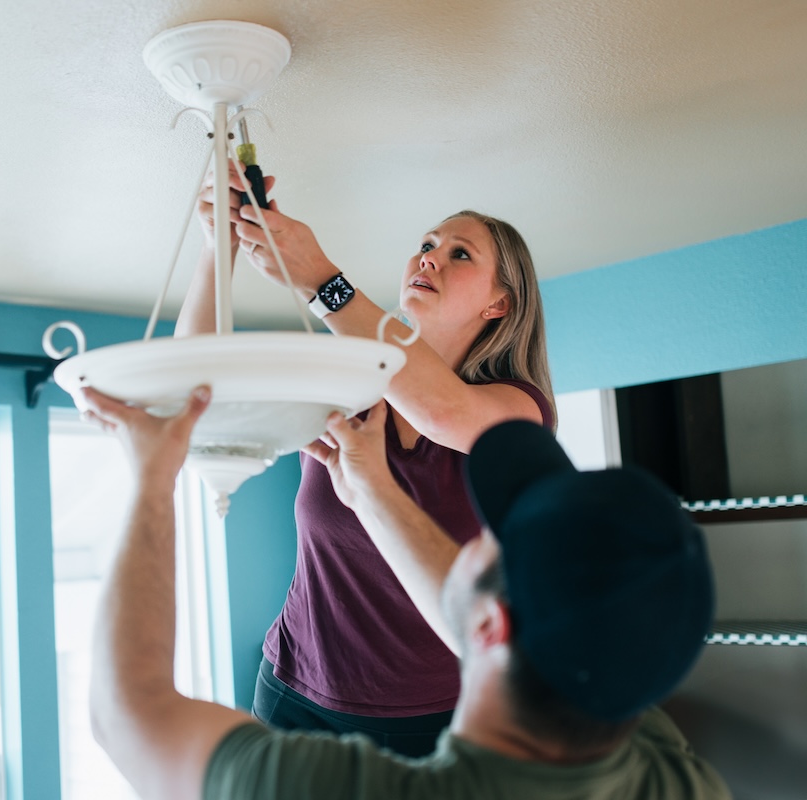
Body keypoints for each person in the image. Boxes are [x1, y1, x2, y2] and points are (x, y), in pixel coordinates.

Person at [81, 384, 729, 800]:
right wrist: (370, 489)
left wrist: (151, 477)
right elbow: (480, 619)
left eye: (489, 535)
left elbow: (129, 713)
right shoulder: (672, 773)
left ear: (491, 628)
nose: (470, 540)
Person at [175, 163, 556, 755]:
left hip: (435, 717)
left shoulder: (518, 412)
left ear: (500, 305)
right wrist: (216, 245)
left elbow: (442, 411)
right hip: (293, 694)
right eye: (427, 244)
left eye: (460, 255)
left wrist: (321, 280)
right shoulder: (344, 379)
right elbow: (195, 388)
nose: (429, 257)